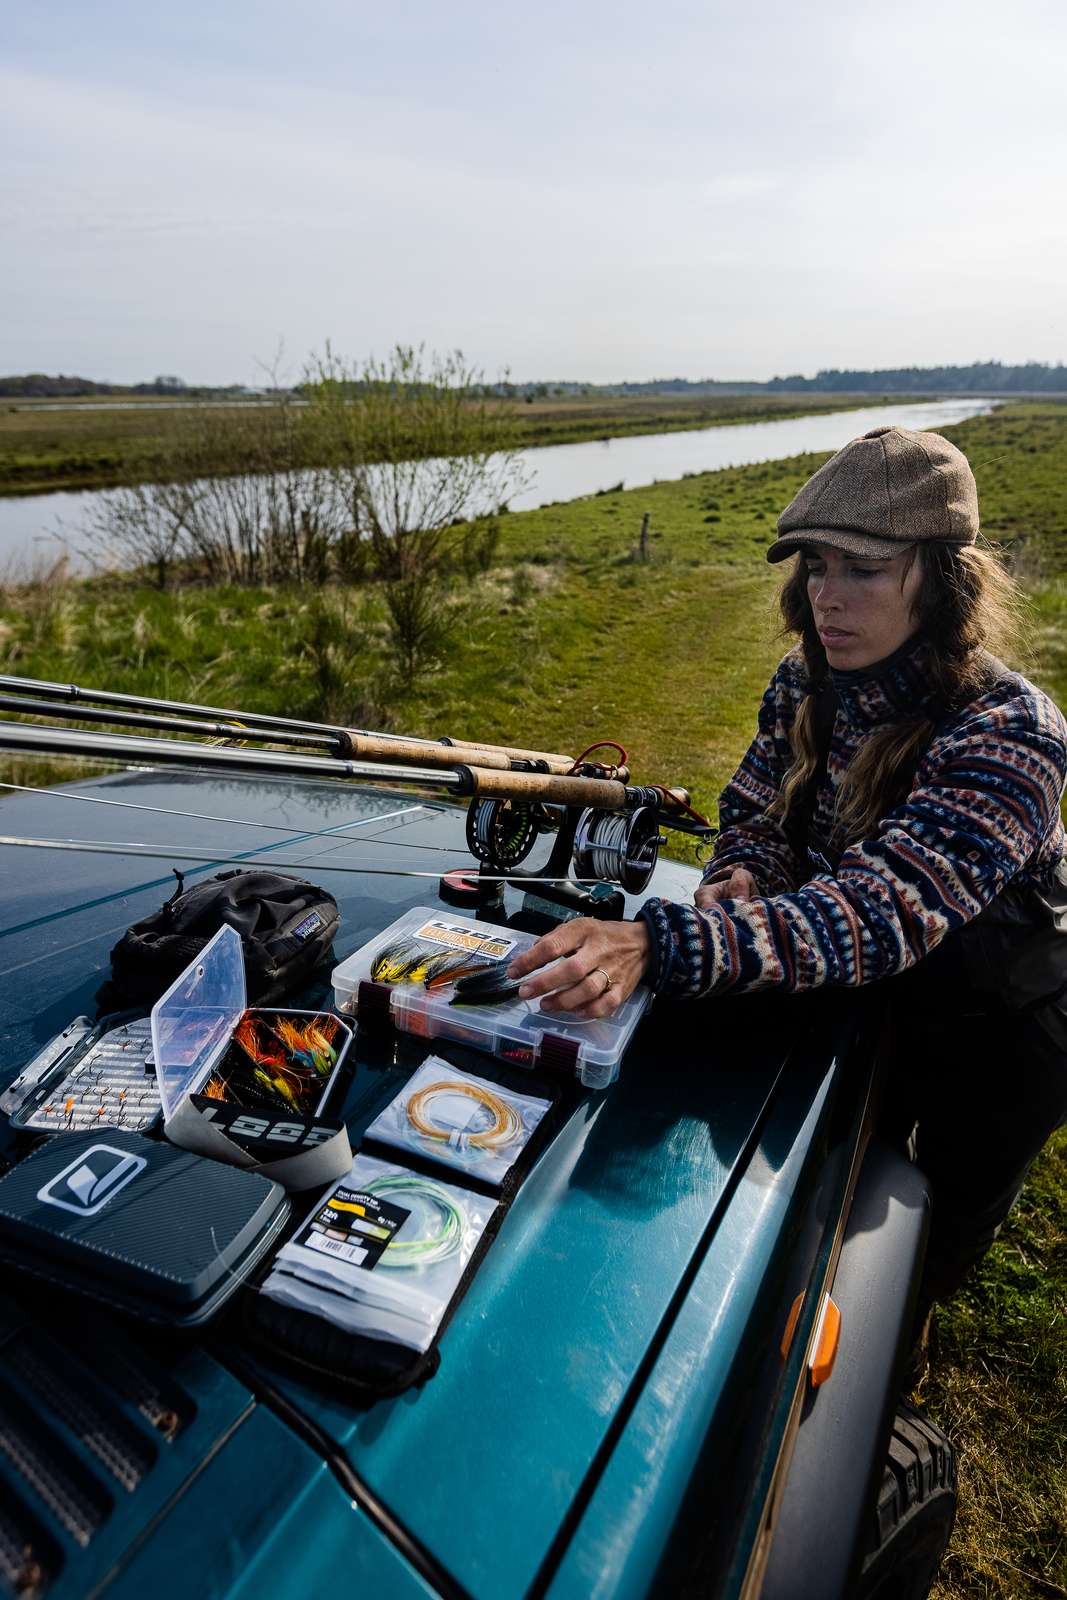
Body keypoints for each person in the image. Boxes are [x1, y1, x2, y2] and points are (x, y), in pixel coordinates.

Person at [509, 424, 1067, 1311]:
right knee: (838, 1186)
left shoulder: (1009, 734)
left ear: (941, 577)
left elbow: (880, 912)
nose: (826, 599)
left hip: (996, 1025)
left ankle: (896, 1366)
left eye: (862, 570)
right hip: (862, 997)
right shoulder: (800, 681)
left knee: (938, 1224)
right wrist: (746, 869)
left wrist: (662, 944)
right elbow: (758, 809)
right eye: (814, 567)